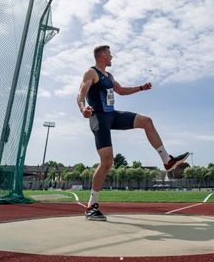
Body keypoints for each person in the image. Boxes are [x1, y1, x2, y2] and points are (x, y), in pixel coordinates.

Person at [77, 45, 189, 221]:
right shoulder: (91, 73)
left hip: (112, 115)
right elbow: (81, 92)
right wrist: (83, 108)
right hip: (99, 118)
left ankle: (167, 161)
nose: (112, 57)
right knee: (107, 161)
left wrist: (141, 88)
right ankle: (91, 205)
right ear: (102, 55)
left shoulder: (109, 76)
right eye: (110, 54)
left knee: (147, 121)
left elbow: (121, 91)